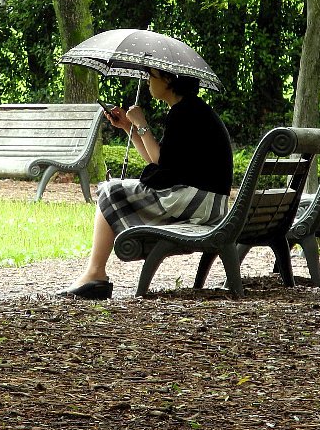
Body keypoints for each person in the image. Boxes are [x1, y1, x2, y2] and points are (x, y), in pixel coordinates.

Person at [57, 68, 234, 299]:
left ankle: (95, 273)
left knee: (110, 191)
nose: (148, 82)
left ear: (168, 79)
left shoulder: (184, 112)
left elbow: (160, 161)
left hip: (195, 201)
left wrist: (141, 123)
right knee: (114, 189)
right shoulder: (191, 109)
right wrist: (128, 127)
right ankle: (95, 272)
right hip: (206, 202)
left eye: (152, 76)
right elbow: (159, 161)